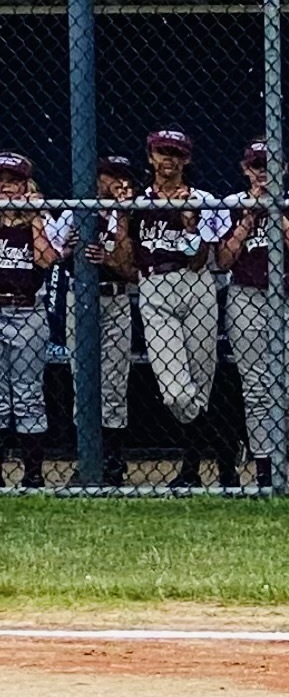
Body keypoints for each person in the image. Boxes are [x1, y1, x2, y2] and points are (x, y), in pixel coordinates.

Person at [110, 131, 231, 490]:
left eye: (176, 154)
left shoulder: (203, 199)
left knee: (201, 383)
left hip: (195, 284)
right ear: (150, 157)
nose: (169, 159)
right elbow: (125, 262)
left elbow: (201, 260)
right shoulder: (137, 202)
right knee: (176, 391)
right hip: (153, 286)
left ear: (186, 160)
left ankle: (191, 468)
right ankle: (224, 442)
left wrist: (190, 223)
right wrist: (121, 216)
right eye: (162, 152)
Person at [216, 141, 289, 491]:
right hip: (245, 297)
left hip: (288, 299)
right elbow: (223, 260)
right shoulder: (233, 203)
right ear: (245, 169)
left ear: (284, 168)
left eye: (270, 165)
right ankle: (265, 469)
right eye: (256, 165)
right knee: (257, 389)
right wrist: (249, 217)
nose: (263, 172)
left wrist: (275, 212)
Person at [64, 153, 141, 486]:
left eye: (122, 176)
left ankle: (112, 461)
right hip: (80, 300)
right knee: (81, 379)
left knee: (113, 383)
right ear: (96, 178)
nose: (116, 182)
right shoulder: (75, 211)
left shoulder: (136, 214)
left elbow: (133, 271)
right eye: (109, 175)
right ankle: (86, 459)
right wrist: (68, 249)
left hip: (116, 297)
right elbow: (52, 257)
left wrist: (111, 249)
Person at [0, 154, 64, 488]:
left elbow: (46, 259)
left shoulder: (40, 217)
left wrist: (35, 215)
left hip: (28, 311)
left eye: (13, 180)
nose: (5, 187)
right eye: (1, 180)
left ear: (26, 185)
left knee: (27, 393)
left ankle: (33, 474)